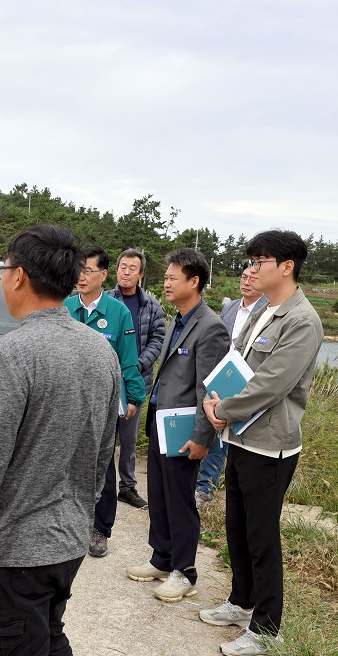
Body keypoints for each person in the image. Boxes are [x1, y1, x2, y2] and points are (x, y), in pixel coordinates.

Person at [0, 224, 120, 656]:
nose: (3, 279)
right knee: (49, 635)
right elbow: (103, 451)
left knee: (23, 643)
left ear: (18, 275)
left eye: (3, 270)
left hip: (20, 550)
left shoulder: (14, 352)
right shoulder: (101, 350)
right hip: (70, 539)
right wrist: (84, 510)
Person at [200, 231, 323, 656]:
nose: (251, 270)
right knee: (237, 527)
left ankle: (268, 628)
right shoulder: (263, 311)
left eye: (259, 261)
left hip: (271, 445)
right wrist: (217, 400)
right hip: (241, 437)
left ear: (286, 267)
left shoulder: (302, 320)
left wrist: (224, 409)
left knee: (262, 535)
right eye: (250, 261)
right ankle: (240, 601)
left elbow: (273, 384)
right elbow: (237, 361)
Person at [125, 248, 229, 603]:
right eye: (165, 277)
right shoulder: (178, 319)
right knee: (160, 495)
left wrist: (203, 437)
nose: (166, 283)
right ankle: (162, 557)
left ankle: (184, 571)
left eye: (172, 278)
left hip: (185, 430)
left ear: (194, 281)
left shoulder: (211, 327)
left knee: (181, 499)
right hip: (160, 423)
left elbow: (208, 390)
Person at [63, 246, 145, 558]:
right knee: (64, 463)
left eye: (88, 270)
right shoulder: (65, 308)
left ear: (103, 275)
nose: (80, 276)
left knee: (101, 466)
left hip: (103, 405)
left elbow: (128, 360)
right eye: (77, 270)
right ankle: (67, 522)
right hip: (65, 402)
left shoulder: (117, 312)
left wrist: (134, 396)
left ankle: (100, 529)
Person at [195, 262, 268, 507]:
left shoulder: (268, 309)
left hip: (248, 380)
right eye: (243, 276)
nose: (246, 281)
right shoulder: (230, 308)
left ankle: (208, 486)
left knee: (230, 432)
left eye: (252, 277)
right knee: (213, 427)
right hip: (223, 374)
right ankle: (203, 484)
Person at [108, 248, 166, 509]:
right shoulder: (106, 300)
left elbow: (158, 339)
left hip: (136, 381)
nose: (126, 272)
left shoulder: (151, 305)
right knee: (103, 437)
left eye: (132, 268)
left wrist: (136, 364)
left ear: (141, 274)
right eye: (122, 267)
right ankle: (100, 485)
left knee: (128, 439)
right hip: (107, 380)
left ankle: (127, 487)